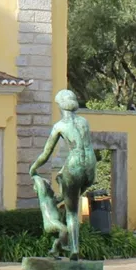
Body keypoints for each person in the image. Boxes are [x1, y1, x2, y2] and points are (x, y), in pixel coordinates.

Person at [30, 89, 98, 258]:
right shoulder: (84, 122)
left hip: (74, 164)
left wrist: (33, 168)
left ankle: (74, 249)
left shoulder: (59, 126)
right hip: (90, 165)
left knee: (72, 212)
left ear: (60, 105)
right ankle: (61, 245)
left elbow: (46, 153)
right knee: (68, 198)